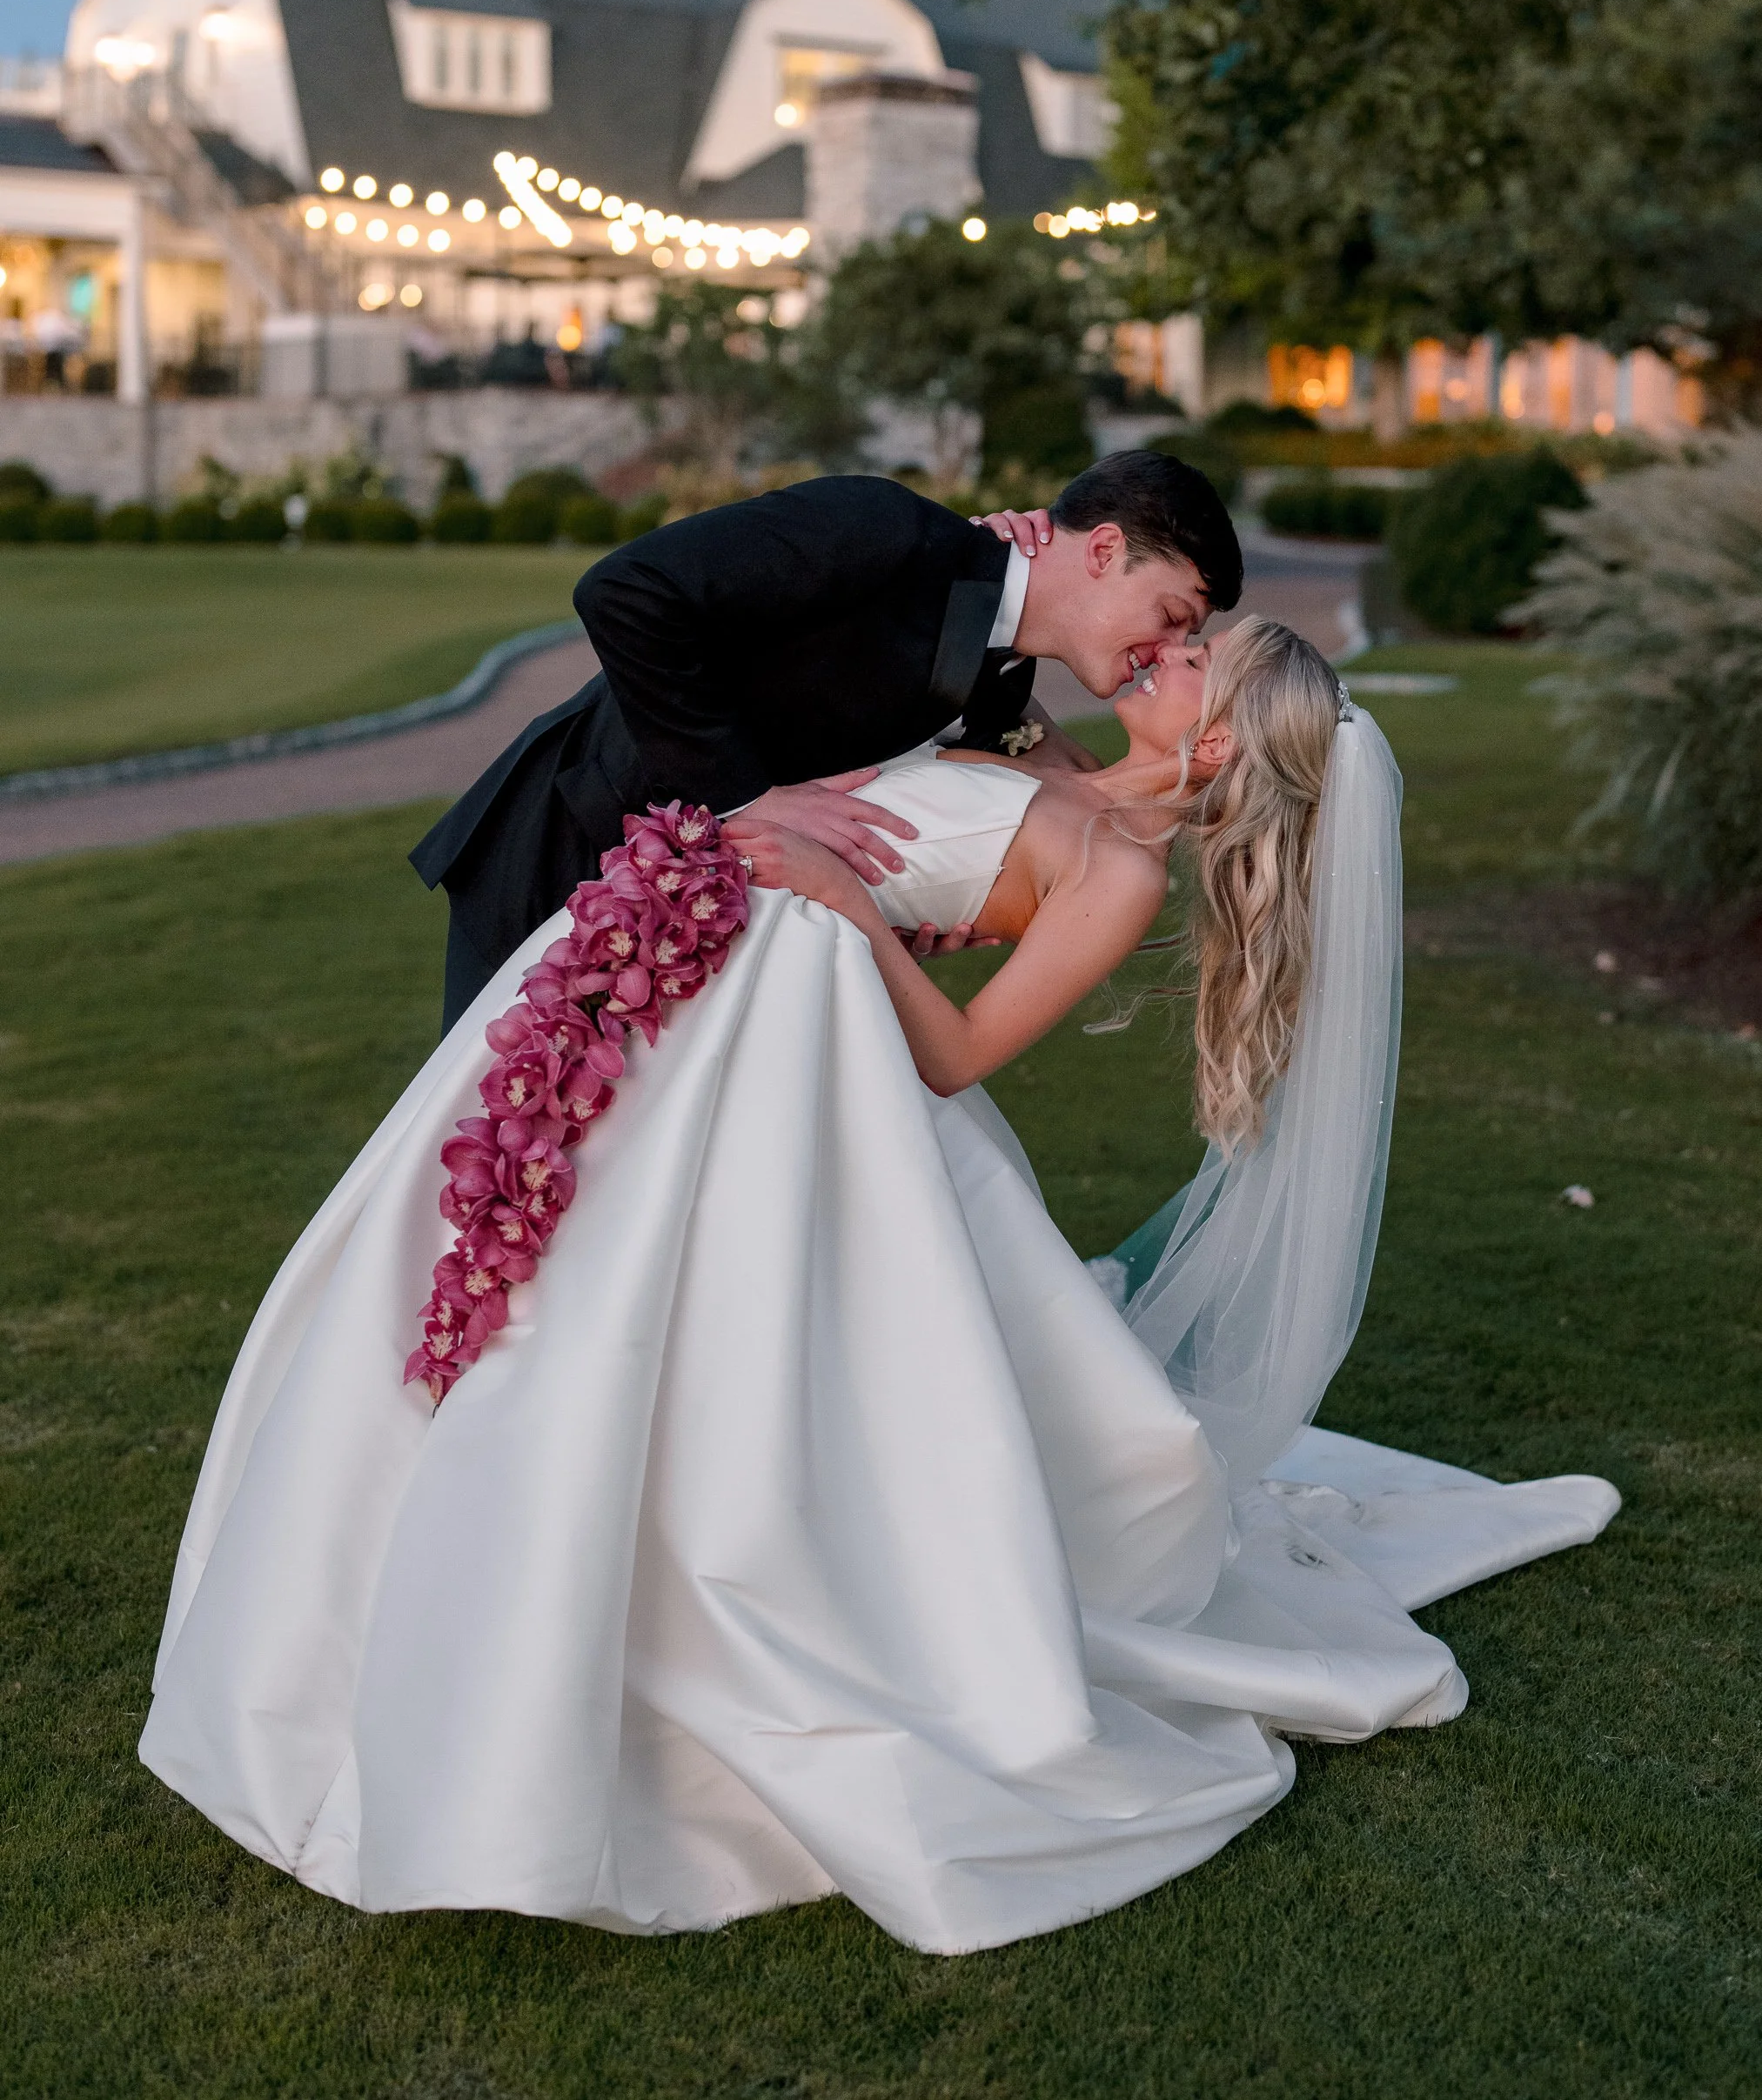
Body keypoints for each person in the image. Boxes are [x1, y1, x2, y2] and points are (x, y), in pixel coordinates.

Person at [140, 610, 1618, 1955]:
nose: (1154, 650)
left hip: (802, 1027)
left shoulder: (1116, 869)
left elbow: (961, 1053)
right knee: (518, 1259)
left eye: (1181, 664)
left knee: (641, 1341)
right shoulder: (1045, 749)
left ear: (1215, 741)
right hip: (708, 965)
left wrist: (849, 906)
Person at [410, 452, 1243, 1027]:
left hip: (692, 933)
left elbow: (1082, 792)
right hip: (564, 850)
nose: (1166, 652)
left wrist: (914, 915)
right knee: (488, 1171)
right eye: (1172, 617)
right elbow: (625, 591)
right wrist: (745, 798)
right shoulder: (882, 529)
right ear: (1102, 548)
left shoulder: (1003, 682)